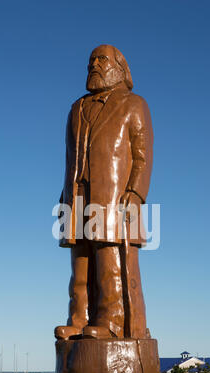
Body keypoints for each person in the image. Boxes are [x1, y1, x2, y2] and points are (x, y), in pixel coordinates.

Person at [55, 45, 153, 340]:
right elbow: (69, 157)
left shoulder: (134, 104)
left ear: (120, 67)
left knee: (109, 262)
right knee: (80, 266)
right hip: (76, 196)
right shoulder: (76, 109)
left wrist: (135, 192)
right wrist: (63, 197)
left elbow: (143, 156)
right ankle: (79, 319)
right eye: (91, 60)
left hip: (114, 199)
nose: (93, 64)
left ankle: (112, 321)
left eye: (101, 59)